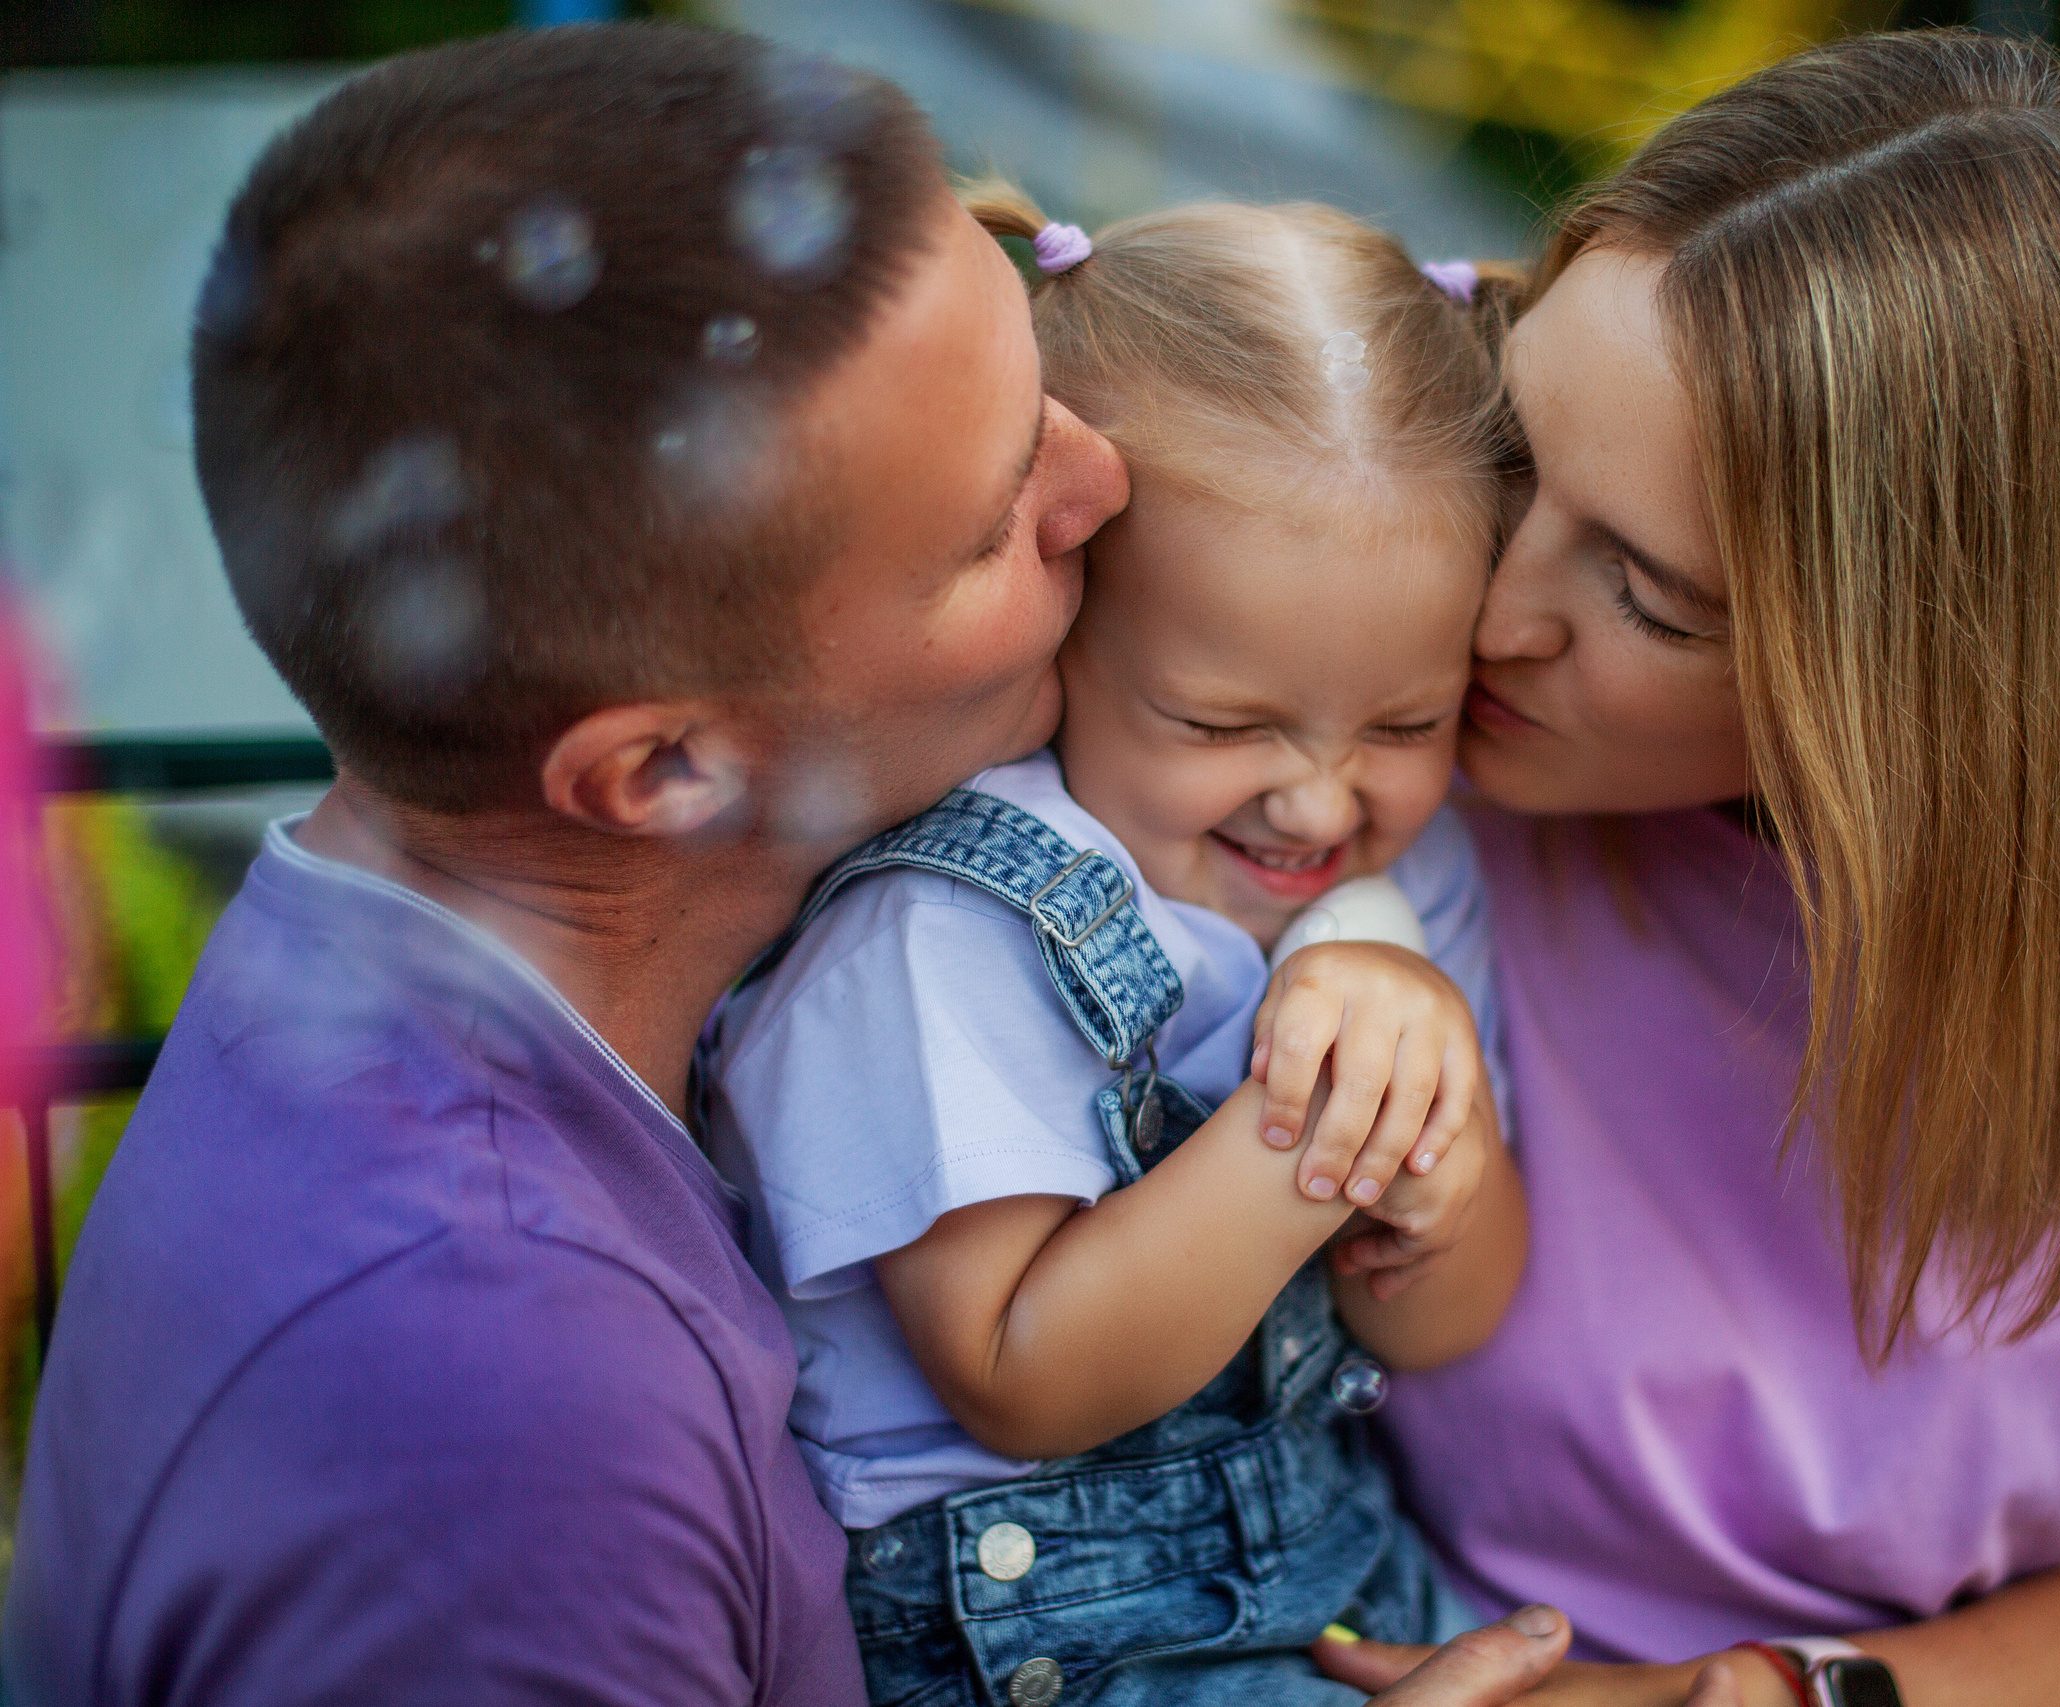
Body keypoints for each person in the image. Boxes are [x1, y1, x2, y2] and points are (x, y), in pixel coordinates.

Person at [0, 23, 1564, 1707]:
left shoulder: (392, 986)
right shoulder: (507, 1416)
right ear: (667, 767)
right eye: (995, 515)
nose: (1107, 484)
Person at [1315, 30, 2060, 1707]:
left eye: (1654, 598)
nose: (1495, 612)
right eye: (1507, 455)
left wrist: (1760, 1698)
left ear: (1931, 674)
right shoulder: (1363, 768)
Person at [700, 192, 1531, 1706]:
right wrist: (1325, 1128)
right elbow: (1024, 1379)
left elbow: (1452, 1315)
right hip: (1027, 1640)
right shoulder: (942, 935)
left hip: (1324, 1572)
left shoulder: (1405, 880)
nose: (1321, 797)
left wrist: (1440, 1144)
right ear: (1061, 637)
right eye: (1222, 724)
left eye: (1408, 723)